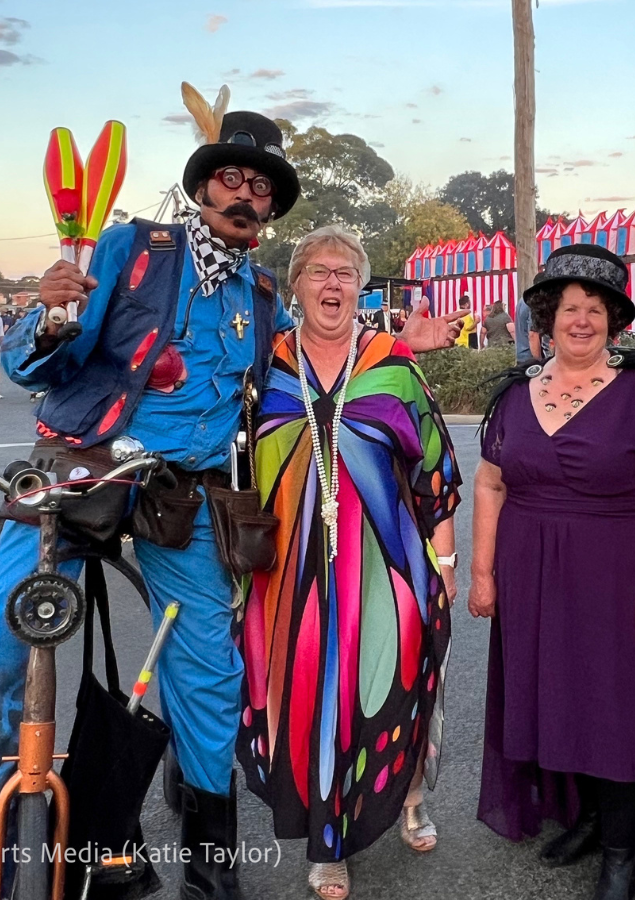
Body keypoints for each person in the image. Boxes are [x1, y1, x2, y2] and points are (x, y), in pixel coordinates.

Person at [0, 89, 462, 900]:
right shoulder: (131, 249)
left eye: (262, 187)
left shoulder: (265, 295)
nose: (247, 195)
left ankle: (212, 875)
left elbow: (322, 368)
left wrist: (404, 342)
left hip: (187, 502)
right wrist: (50, 314)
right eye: (234, 179)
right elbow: (43, 370)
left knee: (211, 676)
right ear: (205, 186)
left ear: (272, 207)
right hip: (82, 476)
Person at [471, 243, 635, 900]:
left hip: (619, 576)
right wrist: (481, 572)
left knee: (618, 709)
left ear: (614, 321)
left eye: (594, 309)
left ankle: (621, 850)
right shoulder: (514, 393)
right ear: (547, 318)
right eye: (568, 309)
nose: (580, 320)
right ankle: (587, 815)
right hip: (532, 577)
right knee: (559, 698)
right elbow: (490, 484)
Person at [236, 226, 461, 900]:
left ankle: (411, 793)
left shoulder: (393, 362)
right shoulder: (265, 366)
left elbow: (434, 467)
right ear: (297, 285)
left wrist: (445, 562)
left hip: (388, 567)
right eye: (317, 271)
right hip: (287, 575)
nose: (331, 284)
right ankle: (326, 844)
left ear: (361, 286)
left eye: (345, 272)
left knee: (396, 686)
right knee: (311, 703)